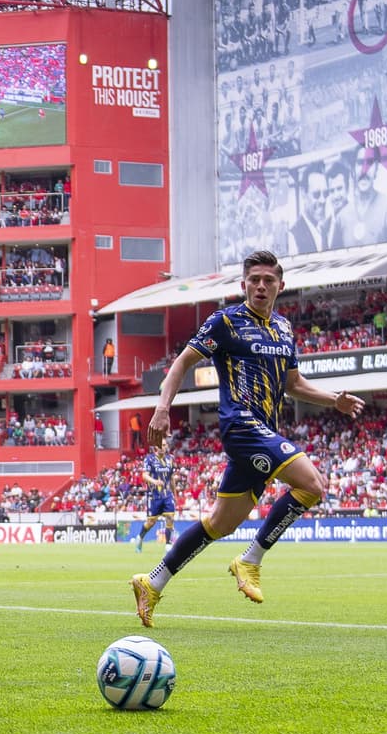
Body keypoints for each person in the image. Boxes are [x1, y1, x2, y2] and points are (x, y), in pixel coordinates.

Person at [129, 250, 364, 627]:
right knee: (312, 485)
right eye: (254, 280)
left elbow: (294, 384)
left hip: (265, 431)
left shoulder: (283, 329)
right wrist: (161, 408)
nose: (260, 286)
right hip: (241, 426)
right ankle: (250, 560)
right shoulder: (225, 321)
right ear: (243, 285)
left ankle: (152, 582)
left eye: (268, 280)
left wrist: (333, 399)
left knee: (220, 524)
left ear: (280, 286)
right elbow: (182, 363)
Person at [135, 445, 176, 553]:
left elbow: (172, 478)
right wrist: (155, 481)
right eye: (161, 445)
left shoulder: (170, 459)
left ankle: (168, 545)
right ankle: (140, 537)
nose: (163, 447)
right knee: (151, 522)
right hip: (154, 496)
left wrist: (174, 494)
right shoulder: (149, 459)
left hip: (167, 495)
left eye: (165, 445)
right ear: (156, 447)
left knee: (170, 517)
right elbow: (144, 475)